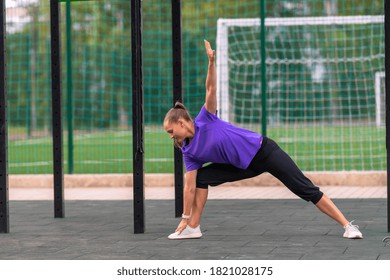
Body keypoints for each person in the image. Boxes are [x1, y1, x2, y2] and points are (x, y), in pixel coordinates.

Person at [163, 39, 363, 240]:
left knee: (305, 189)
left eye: (171, 130)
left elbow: (210, 90)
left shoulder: (205, 119)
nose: (171, 136)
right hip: (242, 165)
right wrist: (185, 217)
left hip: (264, 152)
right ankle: (193, 228)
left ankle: (348, 226)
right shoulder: (188, 151)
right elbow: (189, 187)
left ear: (181, 122)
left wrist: (211, 63)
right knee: (202, 178)